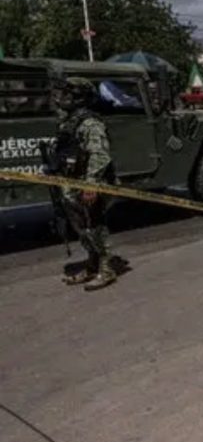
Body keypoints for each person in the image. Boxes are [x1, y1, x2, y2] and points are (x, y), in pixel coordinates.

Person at [50, 77, 119, 290]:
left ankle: (106, 269)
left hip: (90, 184)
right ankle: (92, 265)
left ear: (80, 98)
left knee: (95, 225)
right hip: (73, 183)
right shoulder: (69, 121)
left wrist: (91, 184)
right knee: (83, 229)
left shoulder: (91, 123)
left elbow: (100, 155)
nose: (62, 98)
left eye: (67, 94)